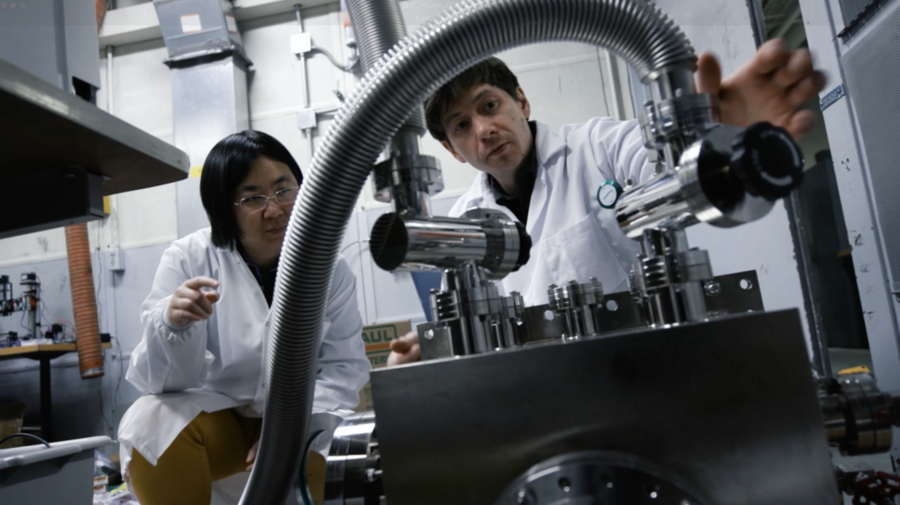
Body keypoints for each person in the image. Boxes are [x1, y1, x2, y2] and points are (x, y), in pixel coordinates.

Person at [387, 39, 826, 365]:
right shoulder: (465, 219)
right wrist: (430, 348)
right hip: (542, 387)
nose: (483, 129)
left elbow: (665, 173)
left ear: (520, 100)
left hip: (651, 362)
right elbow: (461, 323)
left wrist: (709, 141)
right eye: (462, 125)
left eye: (490, 105)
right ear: (452, 150)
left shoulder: (599, 146)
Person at [117, 131, 370, 505]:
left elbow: (343, 367)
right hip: (221, 420)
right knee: (148, 423)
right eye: (253, 198)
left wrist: (284, 430)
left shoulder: (328, 268)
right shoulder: (188, 258)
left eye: (285, 190)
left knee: (337, 455)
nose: (275, 209)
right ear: (225, 208)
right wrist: (172, 325)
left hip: (301, 417)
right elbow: (161, 384)